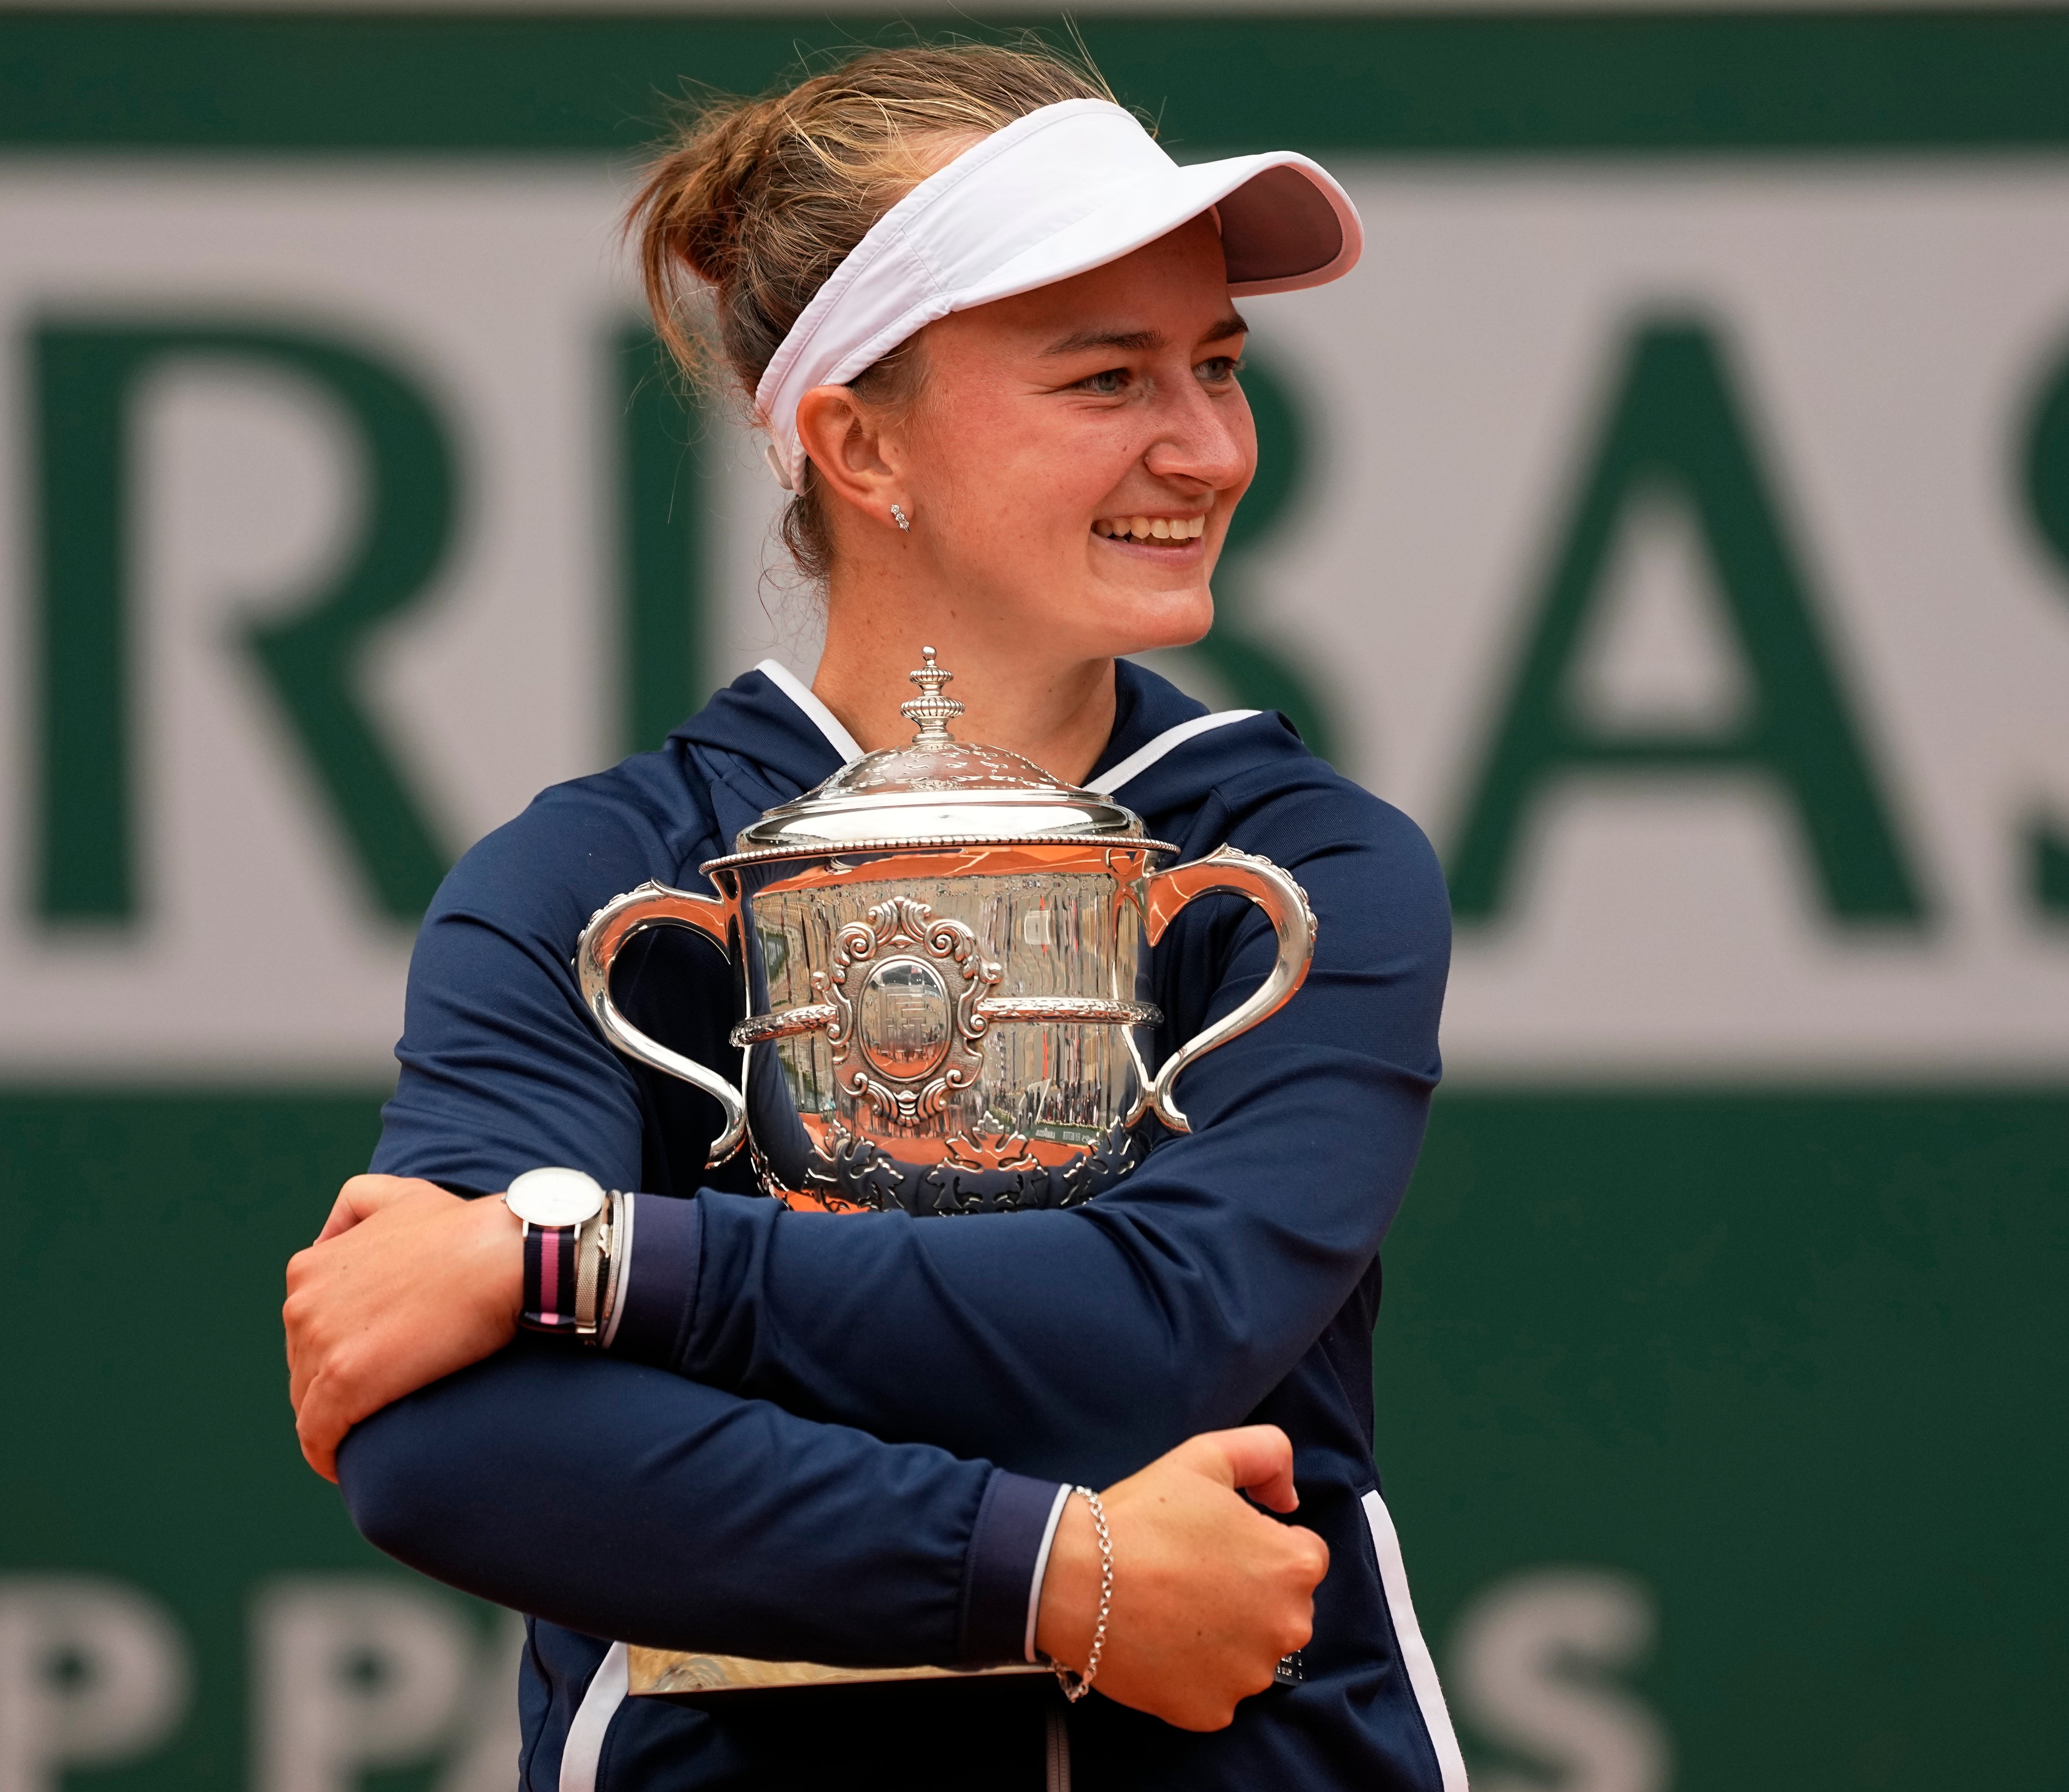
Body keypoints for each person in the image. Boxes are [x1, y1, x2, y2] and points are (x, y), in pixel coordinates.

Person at [281, 39, 1462, 1792]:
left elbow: (1152, 1335)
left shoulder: (1304, 864)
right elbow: (448, 1453)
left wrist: (575, 1264)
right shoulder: (583, 885)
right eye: (1106, 377)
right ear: (856, 440)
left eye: (1218, 364)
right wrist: (1064, 1580)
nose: (1207, 445)